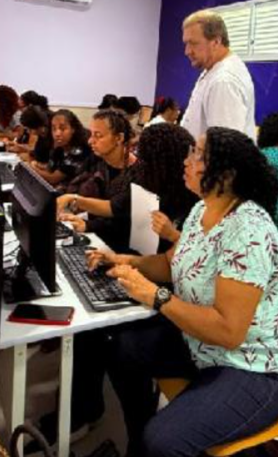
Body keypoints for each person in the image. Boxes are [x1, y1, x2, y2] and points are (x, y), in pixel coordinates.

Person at [89, 127, 278, 457]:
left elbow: (229, 332)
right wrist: (124, 261)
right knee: (122, 348)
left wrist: (157, 296)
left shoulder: (248, 232)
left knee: (163, 441)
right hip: (202, 345)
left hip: (257, 366)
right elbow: (169, 263)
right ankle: (138, 445)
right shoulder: (202, 210)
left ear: (227, 175)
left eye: (199, 155)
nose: (187, 161)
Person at [31, 124, 200, 448]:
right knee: (89, 327)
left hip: (171, 293)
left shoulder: (193, 205)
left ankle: (126, 431)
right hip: (146, 272)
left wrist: (168, 240)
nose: (139, 163)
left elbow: (181, 265)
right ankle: (84, 410)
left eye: (146, 159)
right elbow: (118, 212)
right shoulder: (148, 186)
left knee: (113, 340)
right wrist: (118, 256)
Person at [56, 110, 135, 252]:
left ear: (119, 138)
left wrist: (85, 220)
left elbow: (120, 216)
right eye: (91, 134)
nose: (90, 141)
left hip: (120, 248)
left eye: (98, 136)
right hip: (98, 235)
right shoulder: (98, 160)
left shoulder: (136, 173)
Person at [178, 10, 256, 139]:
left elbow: (224, 145)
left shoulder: (223, 81)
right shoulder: (212, 69)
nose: (187, 51)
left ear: (216, 42)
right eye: (186, 44)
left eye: (193, 43)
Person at [26, 109, 90, 189]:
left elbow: (53, 178)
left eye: (62, 129)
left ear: (73, 129)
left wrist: (32, 168)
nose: (57, 134)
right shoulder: (59, 146)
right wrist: (38, 165)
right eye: (54, 129)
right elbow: (50, 168)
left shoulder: (79, 150)